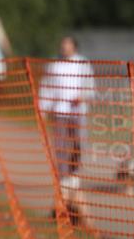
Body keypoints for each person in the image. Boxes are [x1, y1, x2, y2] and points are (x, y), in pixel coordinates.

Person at [38, 35, 95, 181]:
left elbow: (90, 86)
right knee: (60, 145)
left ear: (74, 47)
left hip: (78, 111)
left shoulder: (82, 63)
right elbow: (46, 87)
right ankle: (63, 178)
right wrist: (42, 109)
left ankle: (74, 172)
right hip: (59, 111)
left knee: (78, 143)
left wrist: (82, 97)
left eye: (68, 44)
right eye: (63, 44)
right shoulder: (54, 64)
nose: (64, 47)